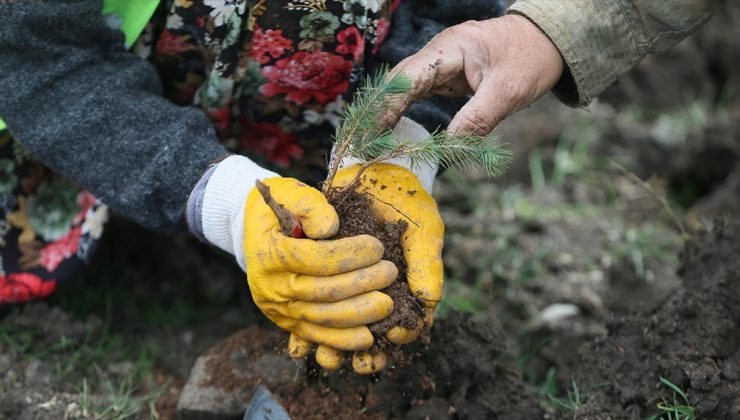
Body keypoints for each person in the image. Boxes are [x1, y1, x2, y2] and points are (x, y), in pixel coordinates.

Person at [0, 0, 723, 373]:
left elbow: (446, 14)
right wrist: (220, 200)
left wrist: (401, 154)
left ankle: (302, 178)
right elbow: (33, 53)